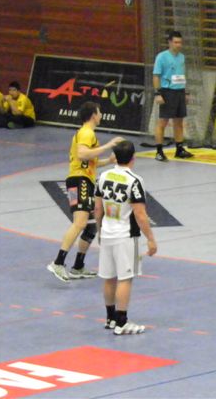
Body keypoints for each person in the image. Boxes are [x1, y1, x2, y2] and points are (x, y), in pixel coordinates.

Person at [47, 102, 123, 282]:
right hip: (79, 181)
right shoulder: (87, 133)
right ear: (93, 115)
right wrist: (108, 145)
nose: (101, 115)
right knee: (80, 222)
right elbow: (82, 154)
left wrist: (108, 161)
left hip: (84, 180)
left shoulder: (88, 134)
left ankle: (78, 266)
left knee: (91, 225)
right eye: (100, 111)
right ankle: (58, 262)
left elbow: (88, 161)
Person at [95, 140, 157, 335]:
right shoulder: (134, 181)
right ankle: (122, 322)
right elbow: (140, 214)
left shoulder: (103, 176)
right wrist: (151, 238)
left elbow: (97, 208)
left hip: (107, 232)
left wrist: (99, 230)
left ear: (115, 157)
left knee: (108, 277)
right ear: (133, 158)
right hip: (125, 235)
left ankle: (110, 318)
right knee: (125, 278)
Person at [152, 30, 194, 162]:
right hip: (167, 91)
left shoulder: (182, 57)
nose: (178, 45)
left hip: (179, 91)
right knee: (162, 122)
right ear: (169, 42)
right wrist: (158, 93)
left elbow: (182, 75)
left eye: (180, 42)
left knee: (179, 122)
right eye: (176, 42)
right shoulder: (161, 57)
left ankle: (179, 149)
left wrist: (185, 92)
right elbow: (156, 76)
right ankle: (159, 151)